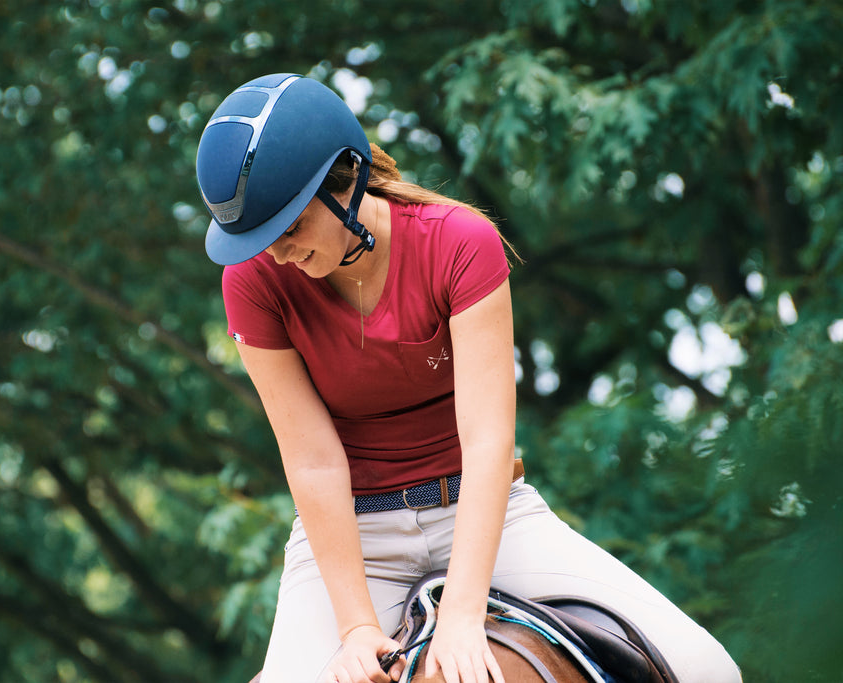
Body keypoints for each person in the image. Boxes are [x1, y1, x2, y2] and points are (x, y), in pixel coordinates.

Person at [195, 73, 741, 683]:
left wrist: (462, 611)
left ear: (344, 182)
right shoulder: (251, 281)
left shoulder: (461, 241)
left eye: (289, 229)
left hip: (488, 515)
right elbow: (313, 461)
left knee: (706, 669)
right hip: (354, 538)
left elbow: (487, 440)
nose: (277, 254)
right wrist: (354, 628)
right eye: (258, 239)